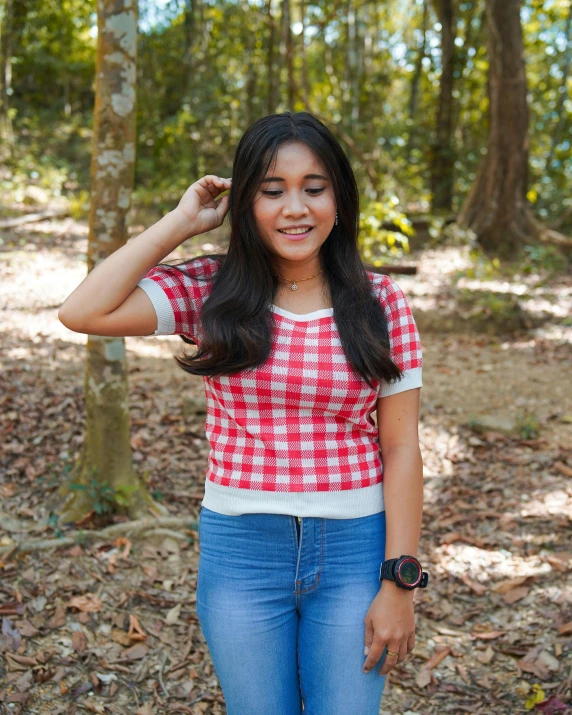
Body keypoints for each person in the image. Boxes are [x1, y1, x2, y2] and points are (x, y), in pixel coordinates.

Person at [58, 111, 426, 715]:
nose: (295, 209)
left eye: (314, 187)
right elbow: (83, 311)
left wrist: (399, 579)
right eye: (271, 190)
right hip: (242, 551)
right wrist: (180, 223)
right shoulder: (212, 290)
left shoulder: (380, 300)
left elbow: (402, 447)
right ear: (246, 201)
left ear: (339, 195)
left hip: (356, 549)